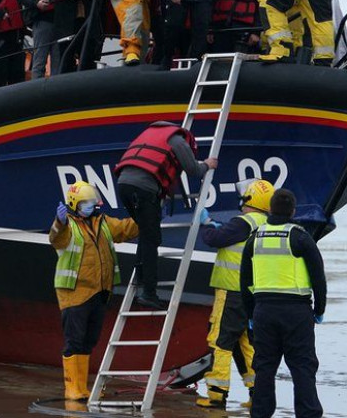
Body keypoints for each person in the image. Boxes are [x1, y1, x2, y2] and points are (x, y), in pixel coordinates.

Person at [240, 188, 327, 418]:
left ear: (270, 209)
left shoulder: (254, 238)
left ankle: (261, 413)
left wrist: (250, 314)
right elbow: (319, 276)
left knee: (264, 367)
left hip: (263, 311)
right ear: (293, 211)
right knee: (302, 367)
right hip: (296, 311)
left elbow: (245, 281)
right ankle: (308, 414)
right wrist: (319, 310)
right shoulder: (300, 236)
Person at [50, 181, 140, 401]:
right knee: (75, 341)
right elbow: (56, 240)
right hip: (75, 293)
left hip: (99, 292)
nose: (92, 205)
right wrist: (59, 223)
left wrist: (147, 216)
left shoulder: (103, 222)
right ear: (75, 204)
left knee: (89, 340)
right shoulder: (68, 226)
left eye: (93, 201)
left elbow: (126, 229)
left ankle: (82, 388)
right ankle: (72, 388)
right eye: (87, 203)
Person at [114, 121, 218, 309]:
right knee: (152, 238)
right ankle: (149, 293)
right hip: (144, 190)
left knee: (146, 233)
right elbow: (193, 169)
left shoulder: (148, 133)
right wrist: (207, 165)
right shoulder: (178, 140)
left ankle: (140, 276)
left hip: (123, 185)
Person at [196, 179, 275, 409]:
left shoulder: (243, 222)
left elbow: (213, 239)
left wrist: (208, 223)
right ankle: (257, 394)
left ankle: (216, 394)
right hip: (253, 295)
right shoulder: (267, 224)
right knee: (246, 344)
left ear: (249, 199)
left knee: (220, 340)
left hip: (231, 291)